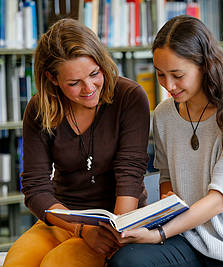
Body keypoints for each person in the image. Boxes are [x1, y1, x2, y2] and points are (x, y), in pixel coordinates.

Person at [103, 15, 223, 267]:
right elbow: (167, 177)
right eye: (160, 74)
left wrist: (158, 234)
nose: (169, 85)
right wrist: (164, 211)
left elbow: (218, 201)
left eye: (177, 75)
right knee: (126, 261)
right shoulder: (164, 114)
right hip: (188, 237)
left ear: (205, 66)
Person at [3, 18, 150, 267]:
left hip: (117, 219)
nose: (89, 88)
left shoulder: (130, 97)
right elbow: (36, 188)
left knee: (58, 263)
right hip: (64, 217)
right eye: (74, 83)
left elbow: (130, 174)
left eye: (95, 74)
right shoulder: (39, 109)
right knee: (16, 263)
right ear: (52, 78)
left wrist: (118, 232)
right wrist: (81, 229)